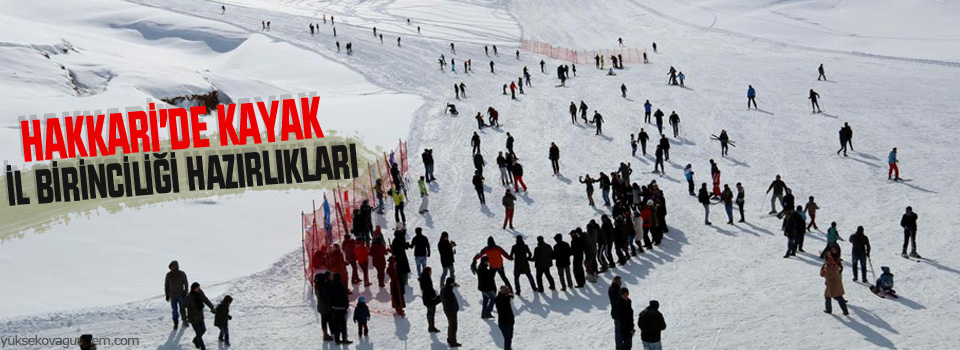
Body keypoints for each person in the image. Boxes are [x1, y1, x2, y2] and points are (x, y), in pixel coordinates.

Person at [185, 282, 216, 350]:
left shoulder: (200, 293)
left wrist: (212, 307)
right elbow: (182, 307)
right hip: (193, 318)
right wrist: (184, 318)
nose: (198, 289)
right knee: (199, 333)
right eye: (197, 288)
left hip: (200, 316)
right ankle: (203, 348)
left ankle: (195, 340)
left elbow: (205, 299)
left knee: (203, 330)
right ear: (193, 289)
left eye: (199, 287)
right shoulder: (189, 297)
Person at [165, 260, 189, 330]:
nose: (173, 267)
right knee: (174, 310)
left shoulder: (181, 274)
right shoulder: (168, 275)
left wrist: (185, 292)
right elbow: (166, 285)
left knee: (182, 308)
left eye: (174, 266)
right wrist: (167, 295)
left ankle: (184, 320)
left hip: (181, 294)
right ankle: (175, 323)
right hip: (172, 296)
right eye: (172, 266)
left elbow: (186, 283)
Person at [329, 274, 352, 344]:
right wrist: (346, 305)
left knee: (336, 325)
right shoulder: (341, 286)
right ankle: (344, 339)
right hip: (341, 309)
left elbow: (329, 297)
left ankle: (337, 340)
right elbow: (345, 297)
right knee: (343, 325)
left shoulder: (331, 286)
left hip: (334, 308)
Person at [441, 277, 462, 347]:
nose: (454, 284)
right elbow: (451, 302)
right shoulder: (448, 291)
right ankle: (453, 341)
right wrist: (455, 308)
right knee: (453, 326)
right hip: (451, 311)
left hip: (448, 310)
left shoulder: (444, 289)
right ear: (450, 283)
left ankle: (450, 339)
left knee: (451, 325)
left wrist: (455, 284)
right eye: (453, 283)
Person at [495, 285, 516, 350]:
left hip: (507, 322)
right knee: (507, 339)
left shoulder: (502, 297)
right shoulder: (502, 300)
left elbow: (510, 296)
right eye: (507, 291)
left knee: (509, 338)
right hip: (505, 323)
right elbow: (506, 299)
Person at [608, 276, 624, 349]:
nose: (621, 283)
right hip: (618, 313)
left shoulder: (614, 288)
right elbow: (618, 301)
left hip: (617, 312)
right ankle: (619, 346)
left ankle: (620, 345)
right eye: (619, 281)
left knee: (620, 330)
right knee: (618, 331)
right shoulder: (615, 290)